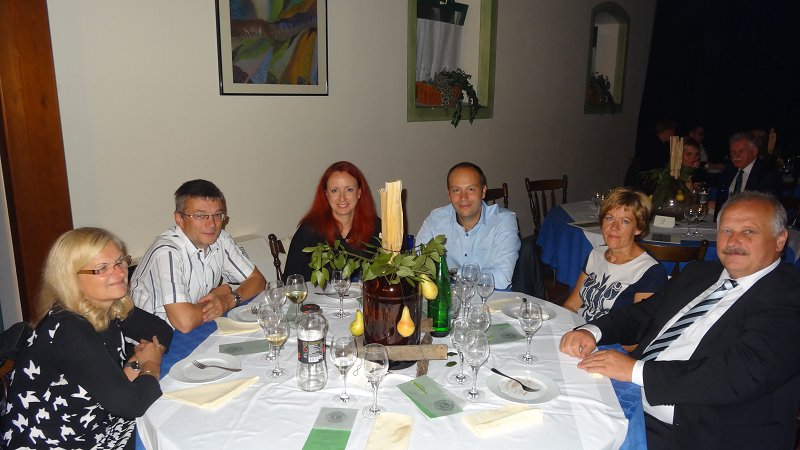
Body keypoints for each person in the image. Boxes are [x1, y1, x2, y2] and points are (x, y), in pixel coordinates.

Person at [559, 192, 800, 450]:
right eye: (727, 230)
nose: (733, 241)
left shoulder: (788, 298)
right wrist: (593, 330)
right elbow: (644, 313)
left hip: (695, 431)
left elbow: (739, 374)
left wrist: (636, 371)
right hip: (628, 398)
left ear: (780, 240)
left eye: (748, 231)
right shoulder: (699, 273)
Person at [1, 227, 173, 449]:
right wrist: (150, 365)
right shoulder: (68, 328)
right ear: (70, 278)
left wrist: (136, 363)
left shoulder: (108, 303)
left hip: (97, 423)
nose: (121, 273)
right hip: (55, 441)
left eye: (120, 262)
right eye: (102, 268)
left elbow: (161, 331)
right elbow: (132, 404)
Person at [131, 179, 266, 333]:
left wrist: (228, 299)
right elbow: (185, 322)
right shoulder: (166, 252)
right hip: (156, 339)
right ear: (179, 219)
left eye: (217, 215)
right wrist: (218, 296)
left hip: (196, 325)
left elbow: (258, 281)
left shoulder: (220, 239)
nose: (212, 224)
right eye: (200, 216)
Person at [563, 188, 667, 321]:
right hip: (578, 328)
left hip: (611, 334)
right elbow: (571, 305)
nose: (614, 227)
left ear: (638, 228)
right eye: (609, 218)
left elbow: (637, 328)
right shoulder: (596, 254)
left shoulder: (650, 271)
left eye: (625, 221)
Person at [416, 162, 521, 289]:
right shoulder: (435, 220)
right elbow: (419, 265)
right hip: (449, 297)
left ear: (483, 191)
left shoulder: (503, 220)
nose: (463, 197)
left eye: (470, 189)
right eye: (456, 190)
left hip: (491, 297)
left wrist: (449, 274)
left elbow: (501, 279)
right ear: (449, 194)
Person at [283, 161, 381, 281]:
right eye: (335, 190)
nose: (342, 198)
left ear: (359, 193)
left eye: (349, 189)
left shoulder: (374, 226)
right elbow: (291, 280)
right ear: (326, 194)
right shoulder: (310, 231)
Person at [714, 131, 782, 216]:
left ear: (754, 152)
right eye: (733, 152)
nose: (736, 156)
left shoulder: (768, 175)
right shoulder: (729, 170)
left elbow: (769, 208)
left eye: (741, 151)